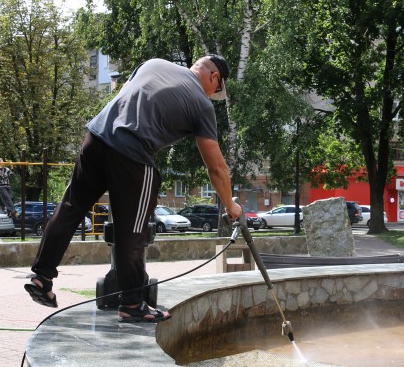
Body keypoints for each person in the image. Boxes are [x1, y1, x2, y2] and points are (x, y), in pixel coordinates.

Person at [24, 55, 242, 322]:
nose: (212, 94)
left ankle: (42, 277)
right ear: (214, 77)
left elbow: (123, 95)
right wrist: (230, 205)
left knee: (71, 207)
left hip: (96, 137)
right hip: (133, 155)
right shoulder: (202, 104)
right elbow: (216, 166)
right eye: (216, 89)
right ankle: (132, 304)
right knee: (134, 230)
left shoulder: (153, 64)